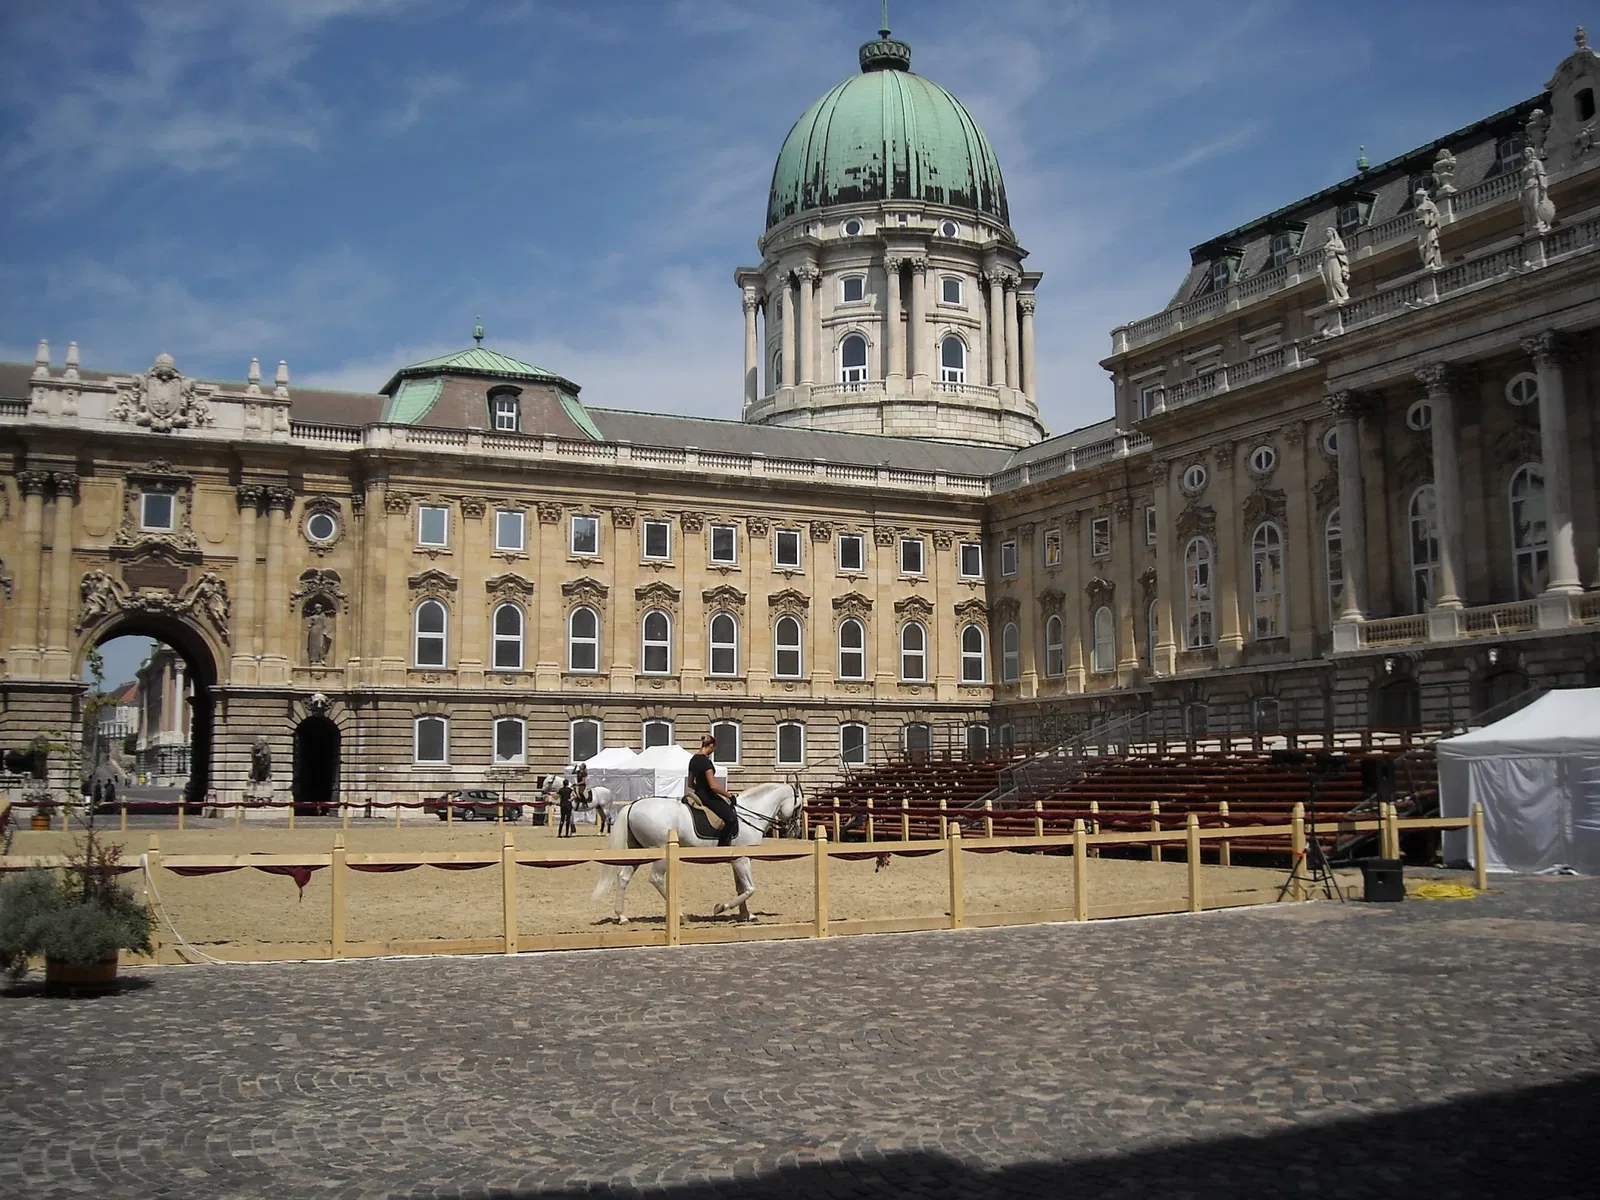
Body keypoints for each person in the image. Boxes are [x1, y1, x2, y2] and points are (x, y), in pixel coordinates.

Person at [687, 734, 738, 847]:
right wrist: (729, 795)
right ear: (710, 746)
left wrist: (700, 789)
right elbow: (713, 786)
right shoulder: (706, 762)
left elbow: (690, 783)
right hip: (708, 796)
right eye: (713, 749)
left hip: (698, 795)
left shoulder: (693, 760)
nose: (713, 751)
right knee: (731, 818)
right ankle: (723, 845)